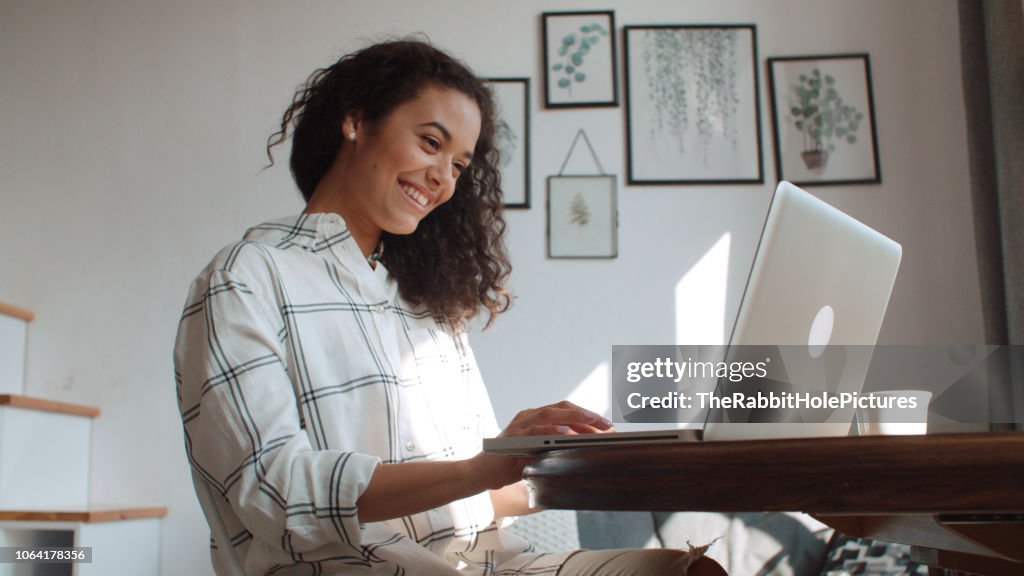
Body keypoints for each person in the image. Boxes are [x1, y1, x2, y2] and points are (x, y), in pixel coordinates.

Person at [174, 38, 724, 576]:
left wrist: (577, 460)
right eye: (430, 143)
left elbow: (475, 494)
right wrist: (478, 469)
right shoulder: (247, 277)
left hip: (486, 563)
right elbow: (273, 492)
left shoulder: (424, 305)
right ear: (356, 121)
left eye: (459, 166)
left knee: (689, 571)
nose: (442, 178)